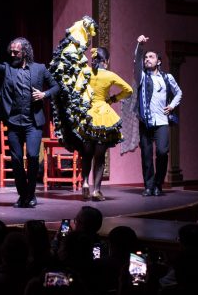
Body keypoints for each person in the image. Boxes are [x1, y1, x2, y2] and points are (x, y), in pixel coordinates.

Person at [0, 36, 59, 208]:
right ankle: (23, 195)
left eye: (16, 51)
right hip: (13, 122)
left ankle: (31, 194)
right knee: (17, 160)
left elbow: (56, 86)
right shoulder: (9, 69)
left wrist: (44, 94)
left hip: (33, 123)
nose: (12, 54)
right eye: (11, 51)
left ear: (25, 51)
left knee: (33, 157)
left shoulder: (40, 69)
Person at [77, 47, 132, 200]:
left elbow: (76, 89)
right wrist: (113, 99)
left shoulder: (85, 71)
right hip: (103, 114)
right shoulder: (109, 75)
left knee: (86, 154)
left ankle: (85, 183)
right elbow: (129, 90)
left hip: (87, 115)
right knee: (99, 157)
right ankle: (96, 191)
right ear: (106, 62)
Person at [133, 35, 182, 197]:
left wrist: (172, 105)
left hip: (161, 121)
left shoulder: (167, 78)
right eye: (146, 57)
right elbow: (137, 61)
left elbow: (178, 92)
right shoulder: (141, 76)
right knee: (146, 155)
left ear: (158, 61)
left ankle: (158, 184)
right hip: (146, 122)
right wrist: (140, 46)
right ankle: (148, 186)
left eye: (151, 57)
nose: (147, 59)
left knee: (162, 152)